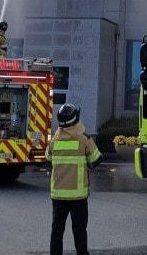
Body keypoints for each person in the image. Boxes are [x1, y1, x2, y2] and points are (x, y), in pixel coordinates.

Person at [47, 103, 102, 255]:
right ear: (75, 118)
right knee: (79, 230)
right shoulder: (84, 138)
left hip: (58, 195)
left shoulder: (54, 140)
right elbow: (96, 160)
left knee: (57, 230)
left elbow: (48, 158)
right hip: (78, 196)